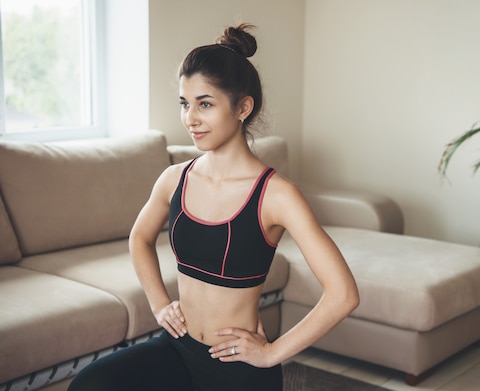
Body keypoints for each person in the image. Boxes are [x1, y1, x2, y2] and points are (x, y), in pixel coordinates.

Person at [68, 23, 359, 391]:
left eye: (205, 104)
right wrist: (160, 306)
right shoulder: (174, 178)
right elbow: (139, 238)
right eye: (184, 103)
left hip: (237, 366)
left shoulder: (276, 194)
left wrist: (273, 353)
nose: (190, 118)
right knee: (92, 383)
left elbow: (343, 293)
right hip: (177, 347)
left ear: (243, 107)